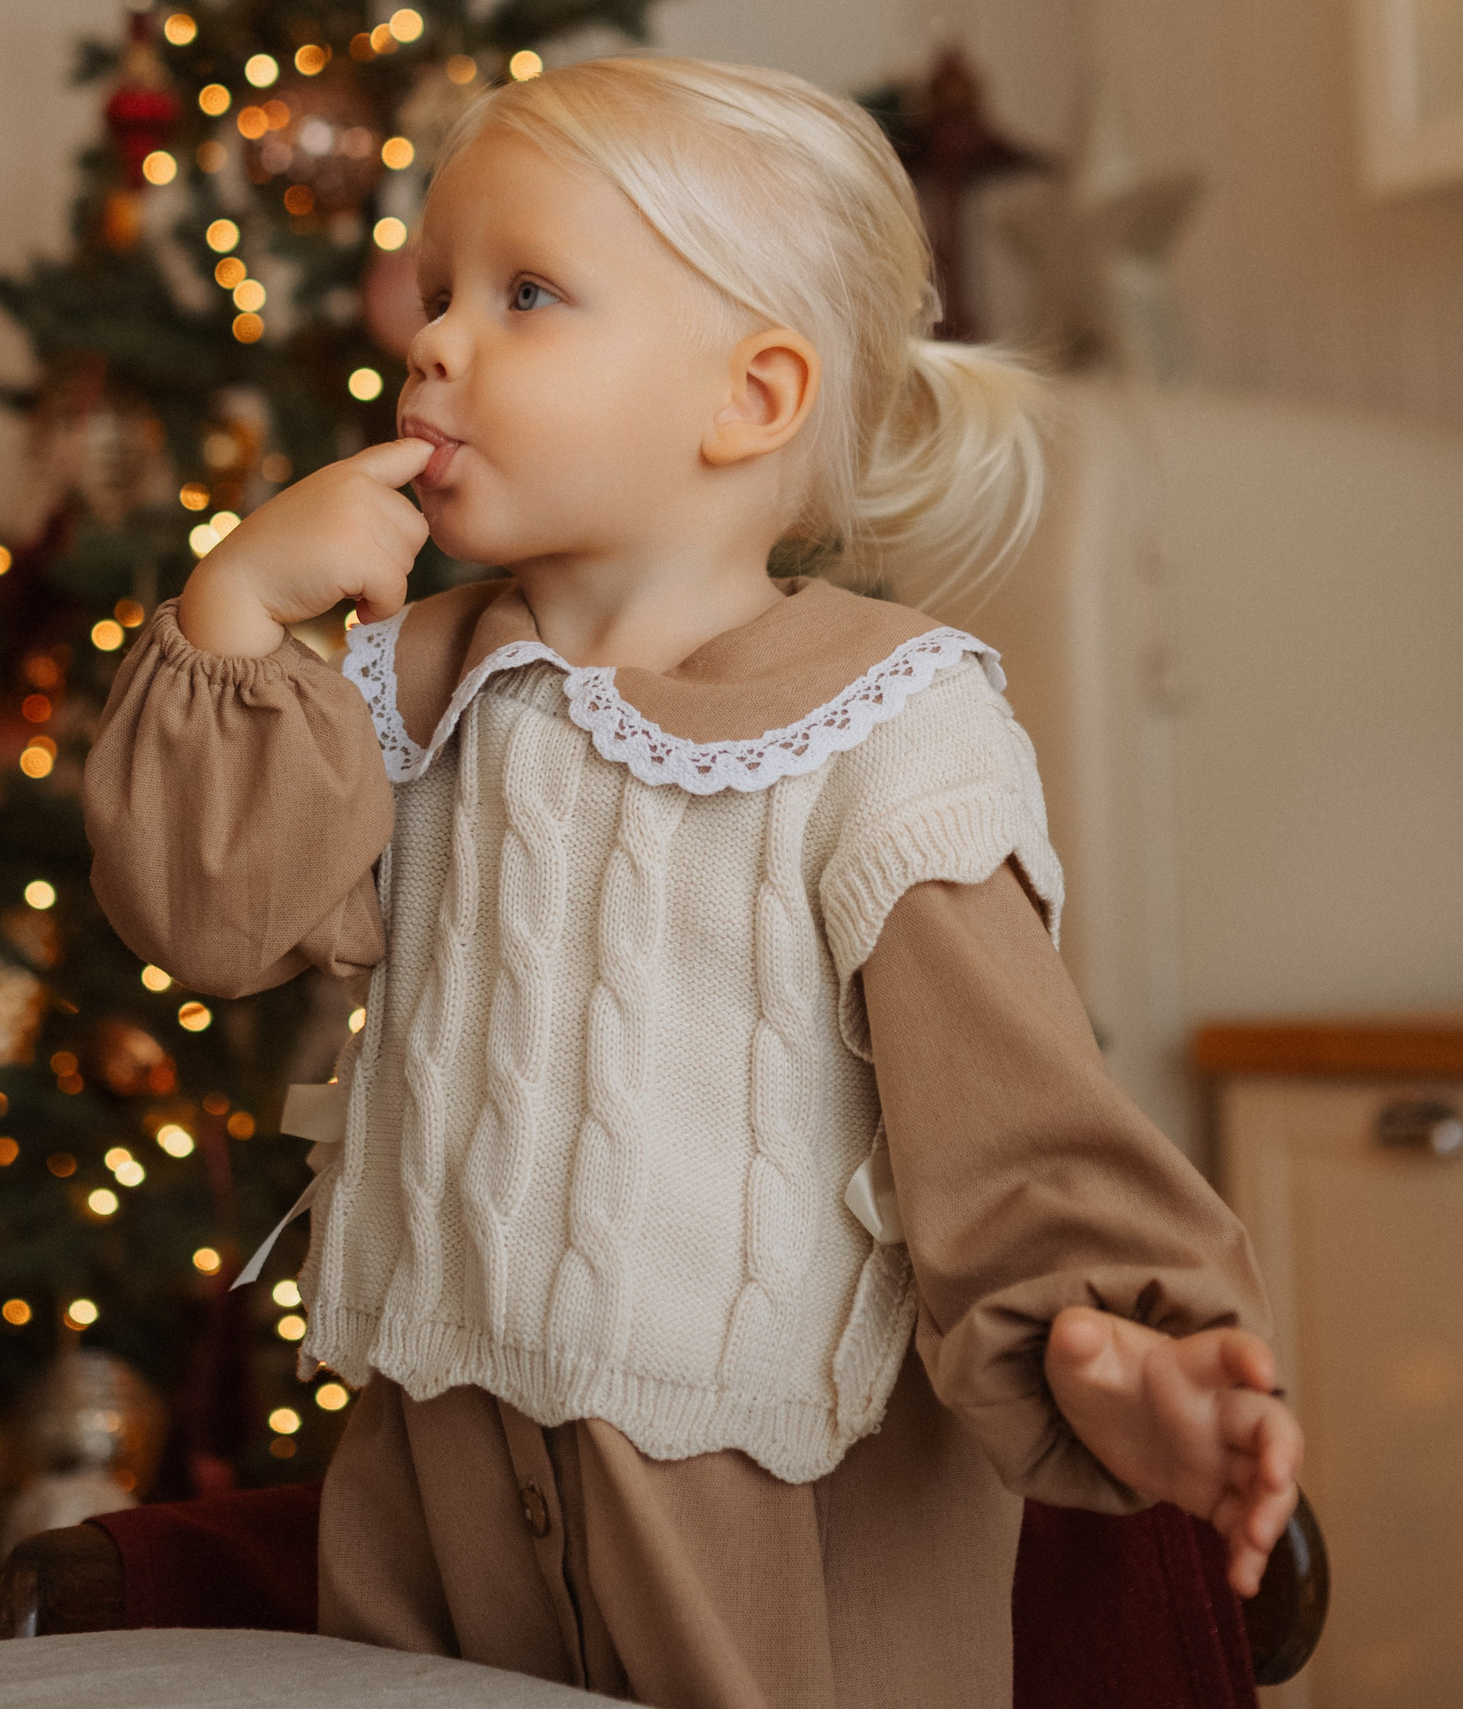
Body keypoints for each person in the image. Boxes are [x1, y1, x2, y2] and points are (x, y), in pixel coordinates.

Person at [83, 56, 1300, 1709]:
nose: (433, 341)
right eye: (436, 293)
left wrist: (1123, 1343)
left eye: (524, 294)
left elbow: (1014, 1119)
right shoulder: (406, 684)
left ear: (751, 396)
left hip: (765, 1522)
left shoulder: (888, 732)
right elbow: (208, 917)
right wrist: (235, 614)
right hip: (431, 1503)